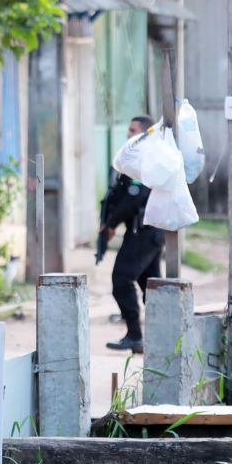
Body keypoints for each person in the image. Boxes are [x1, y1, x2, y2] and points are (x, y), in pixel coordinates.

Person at [101, 115, 165, 354]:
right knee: (152, 288)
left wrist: (111, 223)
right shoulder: (137, 158)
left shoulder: (142, 158)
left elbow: (133, 197)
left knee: (122, 279)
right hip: (146, 232)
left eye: (133, 130)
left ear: (146, 133)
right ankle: (164, 337)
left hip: (144, 232)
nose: (128, 134)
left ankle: (136, 336)